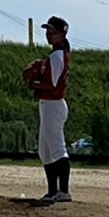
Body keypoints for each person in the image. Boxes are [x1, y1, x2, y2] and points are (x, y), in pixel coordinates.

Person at [23, 16, 72, 203]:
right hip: (48, 105)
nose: (49, 35)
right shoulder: (56, 55)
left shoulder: (57, 56)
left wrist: (33, 84)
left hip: (53, 105)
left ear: (62, 35)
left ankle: (64, 192)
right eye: (48, 31)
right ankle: (52, 192)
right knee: (45, 151)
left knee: (58, 149)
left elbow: (52, 85)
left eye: (53, 32)